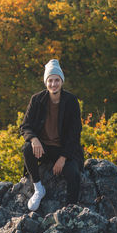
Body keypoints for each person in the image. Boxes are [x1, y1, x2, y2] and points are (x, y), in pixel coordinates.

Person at [20, 59, 84, 211]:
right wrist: (34, 139)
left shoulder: (71, 101)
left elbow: (75, 134)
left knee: (73, 173)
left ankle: (70, 210)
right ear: (45, 82)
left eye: (56, 80)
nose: (53, 84)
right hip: (44, 148)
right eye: (50, 80)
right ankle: (38, 188)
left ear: (61, 81)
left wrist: (63, 158)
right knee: (27, 149)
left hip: (65, 150)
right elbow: (25, 126)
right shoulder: (37, 100)